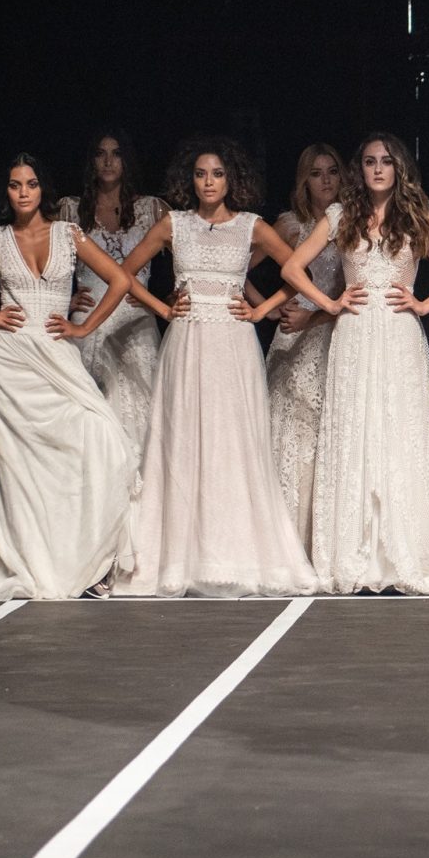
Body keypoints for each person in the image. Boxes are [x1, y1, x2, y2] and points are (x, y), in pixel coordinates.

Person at [109, 137, 317, 596]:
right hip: (186, 344)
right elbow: (123, 272)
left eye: (217, 174)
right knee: (184, 440)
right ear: (191, 179)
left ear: (230, 180)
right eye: (201, 174)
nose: (208, 182)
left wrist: (262, 311)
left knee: (232, 442)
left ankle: (234, 554)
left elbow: (300, 271)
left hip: (233, 344)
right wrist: (162, 309)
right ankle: (180, 558)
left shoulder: (251, 226)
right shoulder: (174, 224)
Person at [0, 152, 137, 600]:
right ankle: (32, 558)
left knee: (100, 437)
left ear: (44, 189)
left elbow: (120, 280)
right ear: (6, 192)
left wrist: (83, 327)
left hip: (56, 356)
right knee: (21, 473)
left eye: (31, 184)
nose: (23, 192)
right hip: (8, 363)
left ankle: (82, 558)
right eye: (14, 185)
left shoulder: (68, 234)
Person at [284, 132, 429, 594]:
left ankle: (404, 554)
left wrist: (425, 304)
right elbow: (291, 268)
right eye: (369, 161)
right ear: (359, 169)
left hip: (400, 335)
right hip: (355, 335)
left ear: (399, 167)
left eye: (386, 161)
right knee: (355, 430)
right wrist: (331, 302)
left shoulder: (419, 213)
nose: (378, 168)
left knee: (400, 431)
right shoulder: (341, 215)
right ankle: (354, 556)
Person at [57, 129, 168, 460]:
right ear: (91, 161)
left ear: (127, 161)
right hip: (88, 322)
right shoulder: (70, 210)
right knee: (91, 415)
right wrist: (62, 302)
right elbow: (40, 260)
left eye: (116, 153)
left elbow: (191, 253)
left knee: (143, 413)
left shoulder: (151, 209)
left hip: (136, 322)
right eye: (100, 153)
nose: (108, 161)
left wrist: (171, 299)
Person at [260, 143, 344, 547]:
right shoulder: (291, 225)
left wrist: (317, 315)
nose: (325, 180)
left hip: (335, 331)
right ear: (303, 181)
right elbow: (237, 265)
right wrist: (265, 308)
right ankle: (285, 539)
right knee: (291, 434)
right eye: (316, 173)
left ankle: (325, 540)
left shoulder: (351, 222)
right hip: (294, 337)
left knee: (329, 435)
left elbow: (353, 292)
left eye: (332, 171)